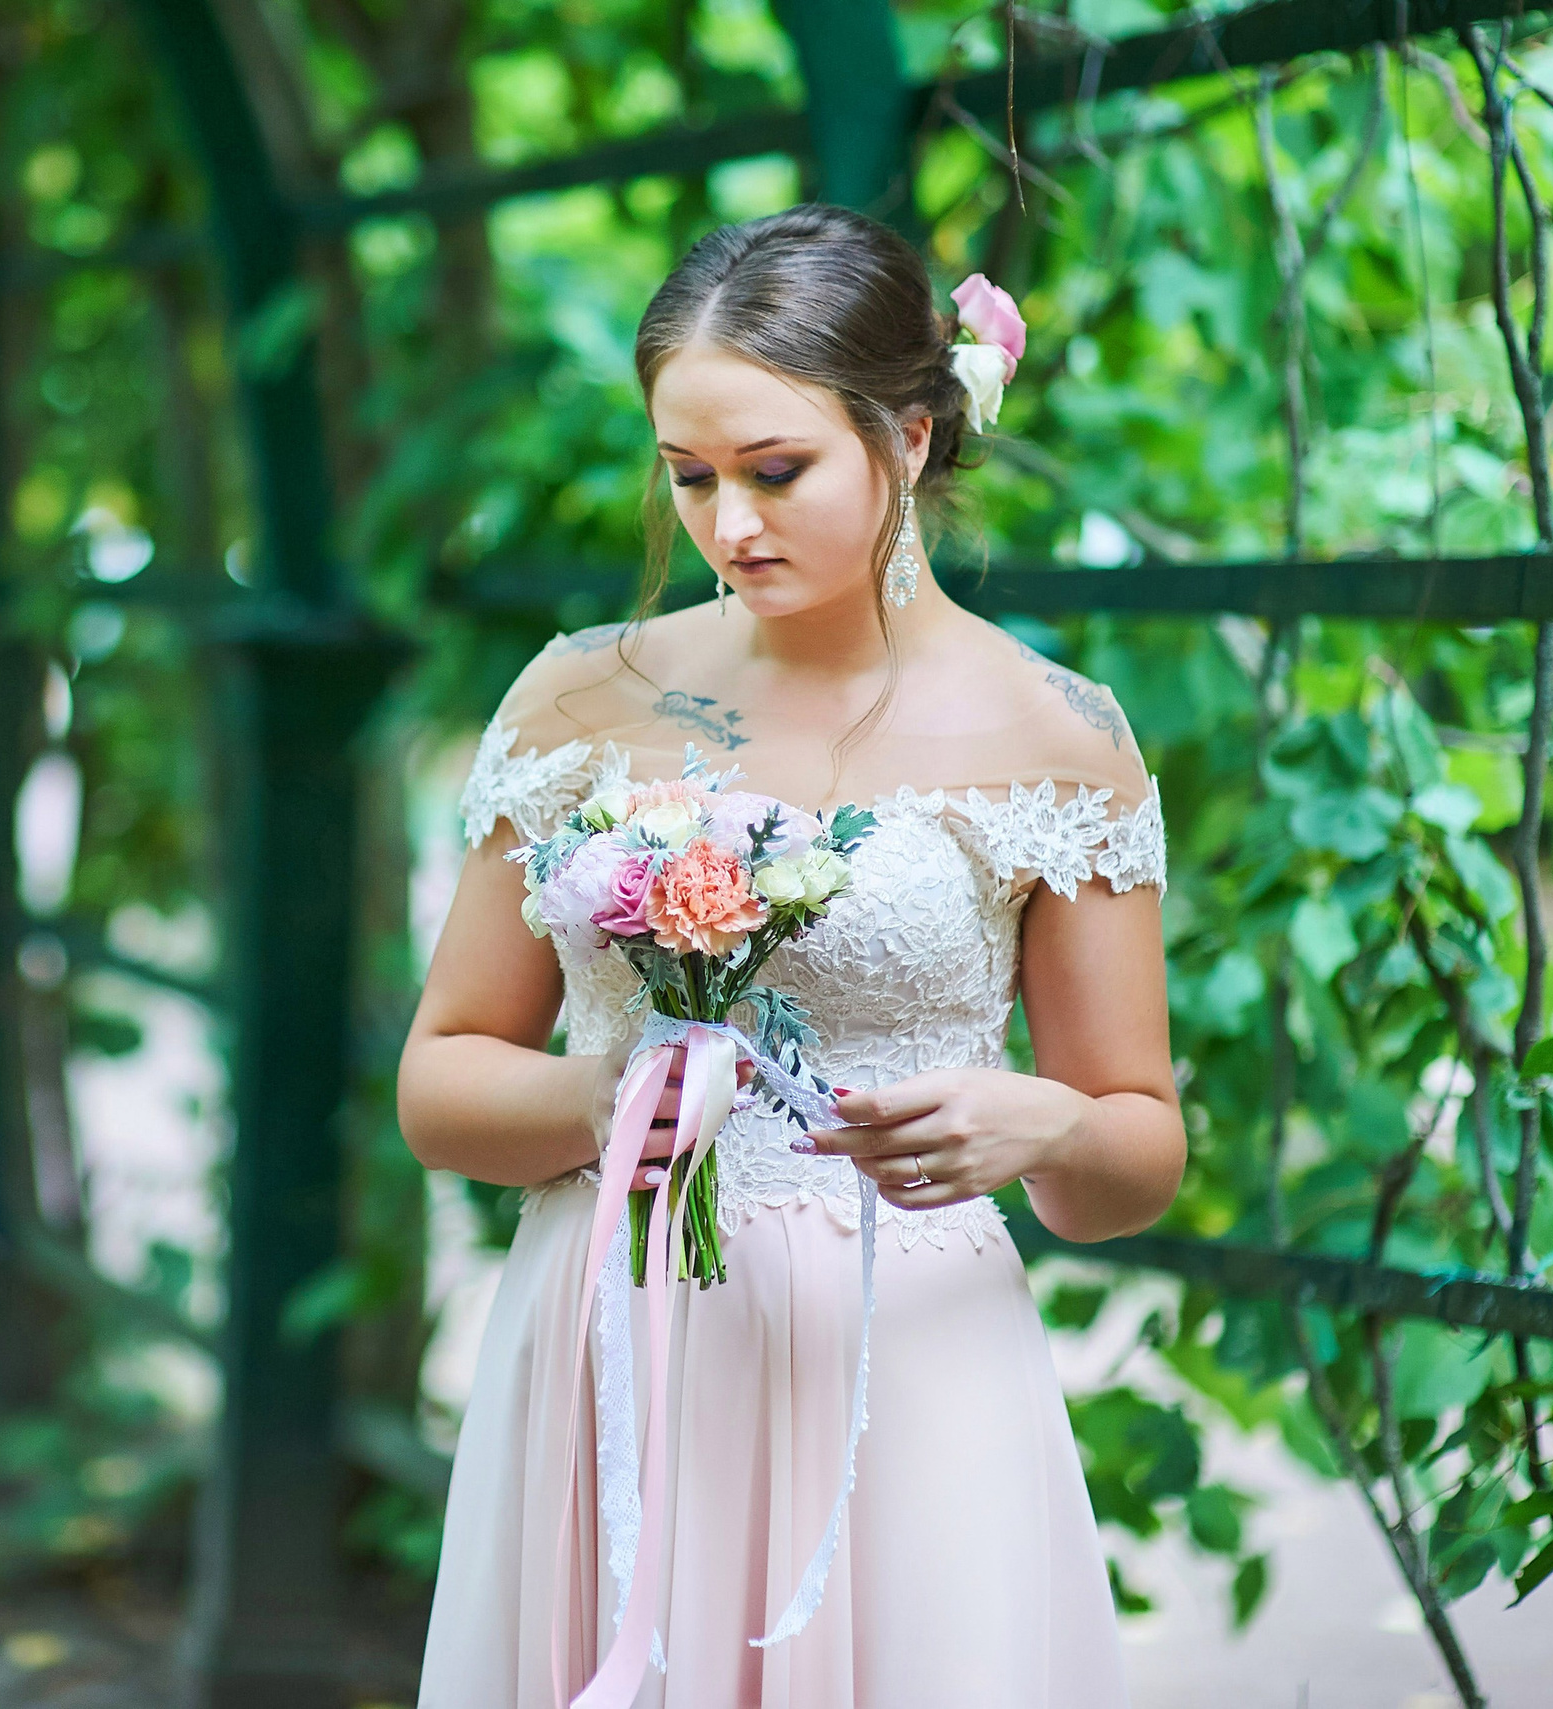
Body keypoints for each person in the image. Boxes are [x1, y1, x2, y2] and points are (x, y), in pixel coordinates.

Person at [400, 205, 1181, 1708]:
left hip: (905, 1378)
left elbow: (1133, 1158)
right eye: (688, 476)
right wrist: (615, 1103)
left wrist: (1052, 1125)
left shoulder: (1057, 736)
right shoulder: (580, 700)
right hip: (614, 1352)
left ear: (909, 432)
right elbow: (439, 1085)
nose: (729, 524)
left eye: (775, 471)